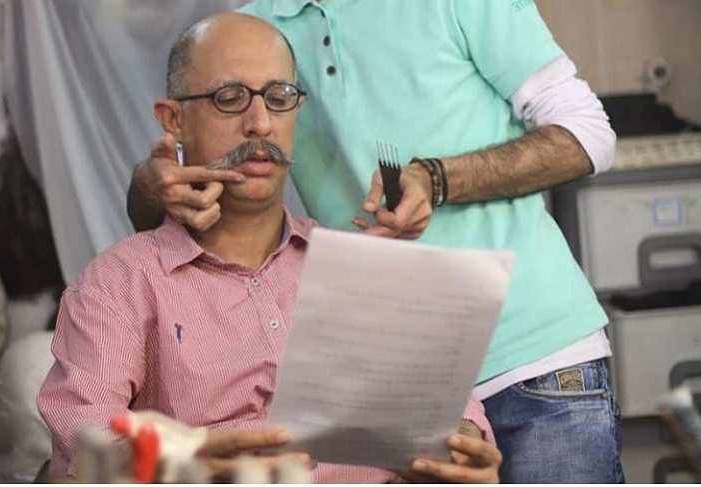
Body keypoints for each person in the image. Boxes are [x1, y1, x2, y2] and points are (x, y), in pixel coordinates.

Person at [127, 1, 624, 483]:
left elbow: (589, 133)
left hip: (530, 359)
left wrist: (438, 178)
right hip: (395, 381)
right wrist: (150, 183)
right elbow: (163, 200)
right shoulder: (251, 34)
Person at [38, 13, 501, 483]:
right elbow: (85, 452)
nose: (260, 124)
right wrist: (179, 463)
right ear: (173, 120)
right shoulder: (120, 284)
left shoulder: (360, 270)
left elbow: (456, 419)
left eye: (279, 98)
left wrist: (464, 447)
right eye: (229, 98)